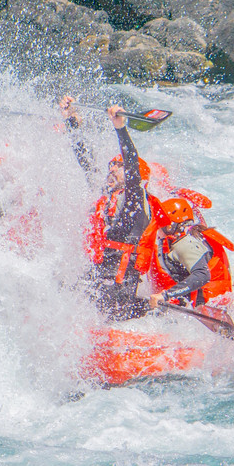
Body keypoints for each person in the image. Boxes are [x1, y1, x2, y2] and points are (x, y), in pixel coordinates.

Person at [68, 98, 153, 321]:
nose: (112, 168)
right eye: (111, 165)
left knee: (108, 310)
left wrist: (120, 129)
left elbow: (132, 163)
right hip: (100, 265)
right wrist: (70, 121)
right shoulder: (107, 193)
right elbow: (84, 160)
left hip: (121, 274)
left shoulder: (135, 196)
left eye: (118, 165)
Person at [145, 197, 234, 310]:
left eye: (160, 224)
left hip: (209, 305)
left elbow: (202, 275)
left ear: (170, 226)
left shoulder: (185, 244)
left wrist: (165, 295)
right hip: (215, 301)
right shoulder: (193, 235)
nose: (157, 228)